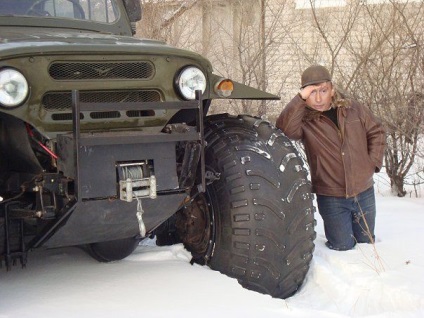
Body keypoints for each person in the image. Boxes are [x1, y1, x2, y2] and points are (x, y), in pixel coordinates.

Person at [276, 65, 386, 251]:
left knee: (367, 243)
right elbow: (283, 131)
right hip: (331, 196)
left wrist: (372, 164)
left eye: (323, 91)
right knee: (342, 246)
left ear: (332, 89)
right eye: (312, 93)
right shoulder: (305, 121)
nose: (318, 98)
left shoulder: (354, 109)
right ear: (304, 94)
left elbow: (376, 132)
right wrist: (299, 99)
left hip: (364, 190)